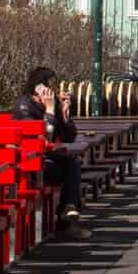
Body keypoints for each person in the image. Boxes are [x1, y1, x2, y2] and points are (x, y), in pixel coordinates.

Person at [11, 67, 88, 238]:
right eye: (50, 86)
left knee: (73, 163)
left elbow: (69, 138)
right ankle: (66, 218)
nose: (53, 91)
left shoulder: (50, 105)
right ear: (39, 88)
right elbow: (43, 139)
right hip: (30, 163)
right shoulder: (24, 107)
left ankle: (68, 209)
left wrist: (66, 115)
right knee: (68, 172)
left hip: (46, 157)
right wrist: (50, 111)